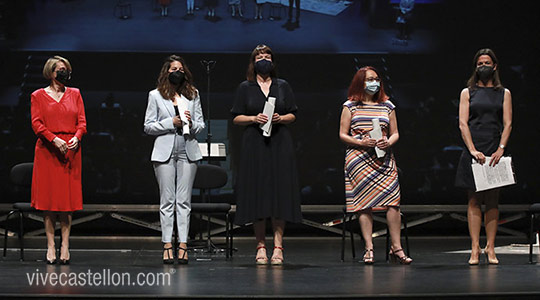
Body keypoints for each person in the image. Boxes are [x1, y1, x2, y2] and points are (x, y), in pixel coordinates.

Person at [231, 44, 302, 265]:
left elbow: (293, 114)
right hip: (255, 144)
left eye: (267, 56)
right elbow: (236, 117)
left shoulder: (282, 86)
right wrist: (254, 118)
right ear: (253, 62)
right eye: (259, 56)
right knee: (258, 193)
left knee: (279, 193)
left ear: (273, 61)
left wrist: (281, 118)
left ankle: (278, 247)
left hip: (280, 143)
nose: (264, 59)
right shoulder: (246, 87)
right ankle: (261, 245)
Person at [339, 66, 411, 265]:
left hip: (384, 159)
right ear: (360, 82)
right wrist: (362, 142)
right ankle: (369, 248)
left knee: (393, 202)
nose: (374, 82)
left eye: (377, 79)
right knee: (364, 204)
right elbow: (343, 134)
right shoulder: (350, 106)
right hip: (359, 160)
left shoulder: (387, 106)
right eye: (370, 79)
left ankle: (396, 248)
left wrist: (389, 142)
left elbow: (395, 132)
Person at [144, 55, 205, 264]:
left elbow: (201, 124)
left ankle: (183, 245)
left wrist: (190, 122)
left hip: (188, 150)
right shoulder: (155, 95)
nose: (177, 71)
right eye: (173, 68)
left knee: (184, 201)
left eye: (180, 68)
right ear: (167, 72)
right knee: (167, 201)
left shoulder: (193, 94)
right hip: (165, 151)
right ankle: (167, 244)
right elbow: (148, 126)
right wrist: (171, 122)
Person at [455, 48, 512, 265]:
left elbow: (507, 123)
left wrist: (501, 148)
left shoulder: (504, 93)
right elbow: (463, 123)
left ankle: (491, 247)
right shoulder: (467, 92)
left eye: (487, 63)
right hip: (474, 148)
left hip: (495, 149)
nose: (484, 67)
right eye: (480, 64)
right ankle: (475, 247)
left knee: (493, 200)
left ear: (495, 66)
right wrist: (472, 149)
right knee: (474, 199)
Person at [30, 55, 87, 265]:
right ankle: (50, 245)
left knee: (66, 202)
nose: (64, 73)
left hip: (70, 151)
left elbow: (82, 123)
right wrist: (54, 140)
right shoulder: (37, 95)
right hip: (48, 150)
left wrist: (76, 137)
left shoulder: (75, 94)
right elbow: (37, 124)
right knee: (49, 202)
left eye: (66, 69)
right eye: (60, 69)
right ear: (51, 72)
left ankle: (65, 244)